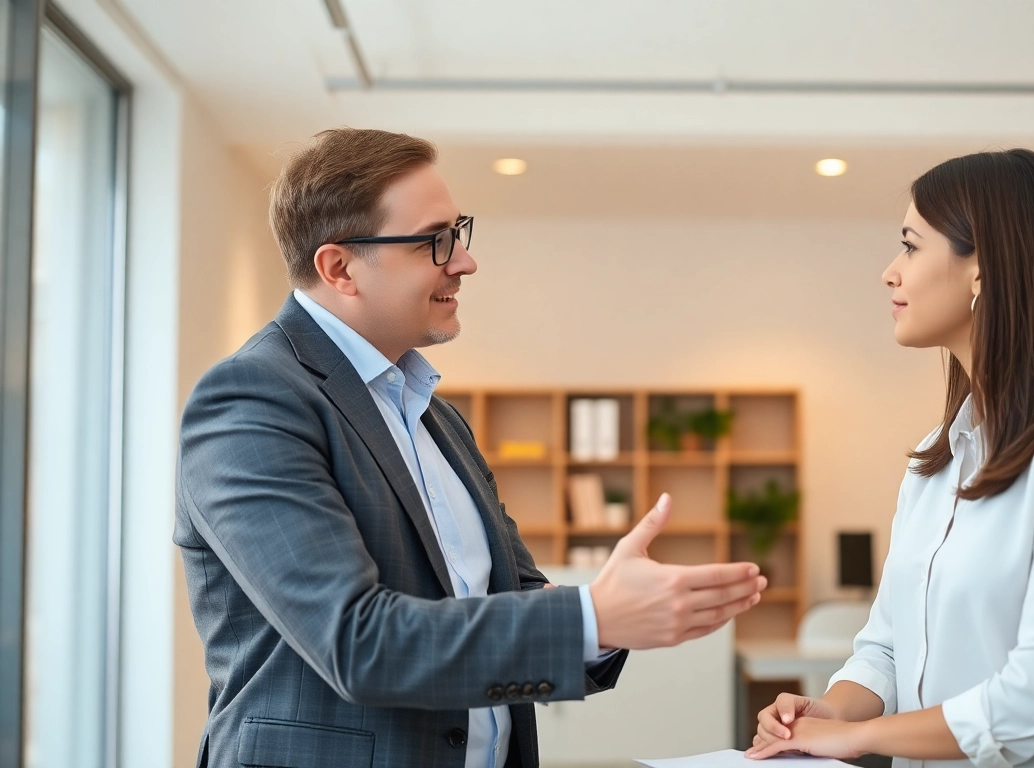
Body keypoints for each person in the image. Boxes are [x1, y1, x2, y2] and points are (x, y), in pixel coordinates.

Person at [174, 128, 766, 768]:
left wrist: (610, 619)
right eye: (435, 241)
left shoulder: (438, 418)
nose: (464, 261)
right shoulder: (252, 399)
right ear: (339, 268)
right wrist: (591, 617)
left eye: (459, 232)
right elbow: (356, 642)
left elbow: (512, 595)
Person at [747, 148, 1034, 767]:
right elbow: (887, 647)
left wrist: (856, 738)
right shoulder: (937, 454)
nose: (890, 272)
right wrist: (832, 711)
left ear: (984, 270)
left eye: (912, 246)